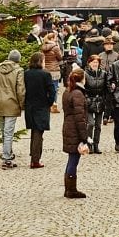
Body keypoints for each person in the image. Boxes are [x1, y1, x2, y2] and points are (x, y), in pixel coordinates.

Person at [0, 50, 26, 169]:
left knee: (4, 131)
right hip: (12, 103)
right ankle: (6, 158)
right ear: (18, 60)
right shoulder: (19, 71)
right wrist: (22, 104)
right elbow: (20, 90)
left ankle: (8, 154)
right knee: (8, 132)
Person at [24, 52, 55, 168]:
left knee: (34, 131)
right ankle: (35, 159)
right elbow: (52, 91)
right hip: (41, 106)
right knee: (38, 132)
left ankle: (34, 155)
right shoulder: (45, 74)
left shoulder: (26, 74)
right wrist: (49, 102)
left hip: (30, 106)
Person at [62, 69, 89, 198]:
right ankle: (71, 189)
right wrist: (84, 137)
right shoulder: (78, 93)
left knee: (72, 159)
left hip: (68, 126)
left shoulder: (68, 91)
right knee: (73, 159)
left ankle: (69, 188)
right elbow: (80, 117)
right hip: (74, 129)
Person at [84, 54, 107, 154]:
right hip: (89, 101)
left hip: (100, 101)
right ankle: (89, 144)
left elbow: (106, 88)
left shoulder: (103, 74)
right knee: (90, 124)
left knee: (98, 125)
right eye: (93, 62)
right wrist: (86, 99)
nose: (95, 64)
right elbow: (82, 88)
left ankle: (96, 144)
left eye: (97, 62)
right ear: (89, 63)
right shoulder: (85, 74)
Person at [41, 31, 64, 112]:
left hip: (45, 70)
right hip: (54, 70)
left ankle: (46, 104)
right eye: (55, 37)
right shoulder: (55, 47)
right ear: (52, 38)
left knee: (46, 88)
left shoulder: (43, 47)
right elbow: (60, 57)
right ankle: (54, 105)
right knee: (54, 88)